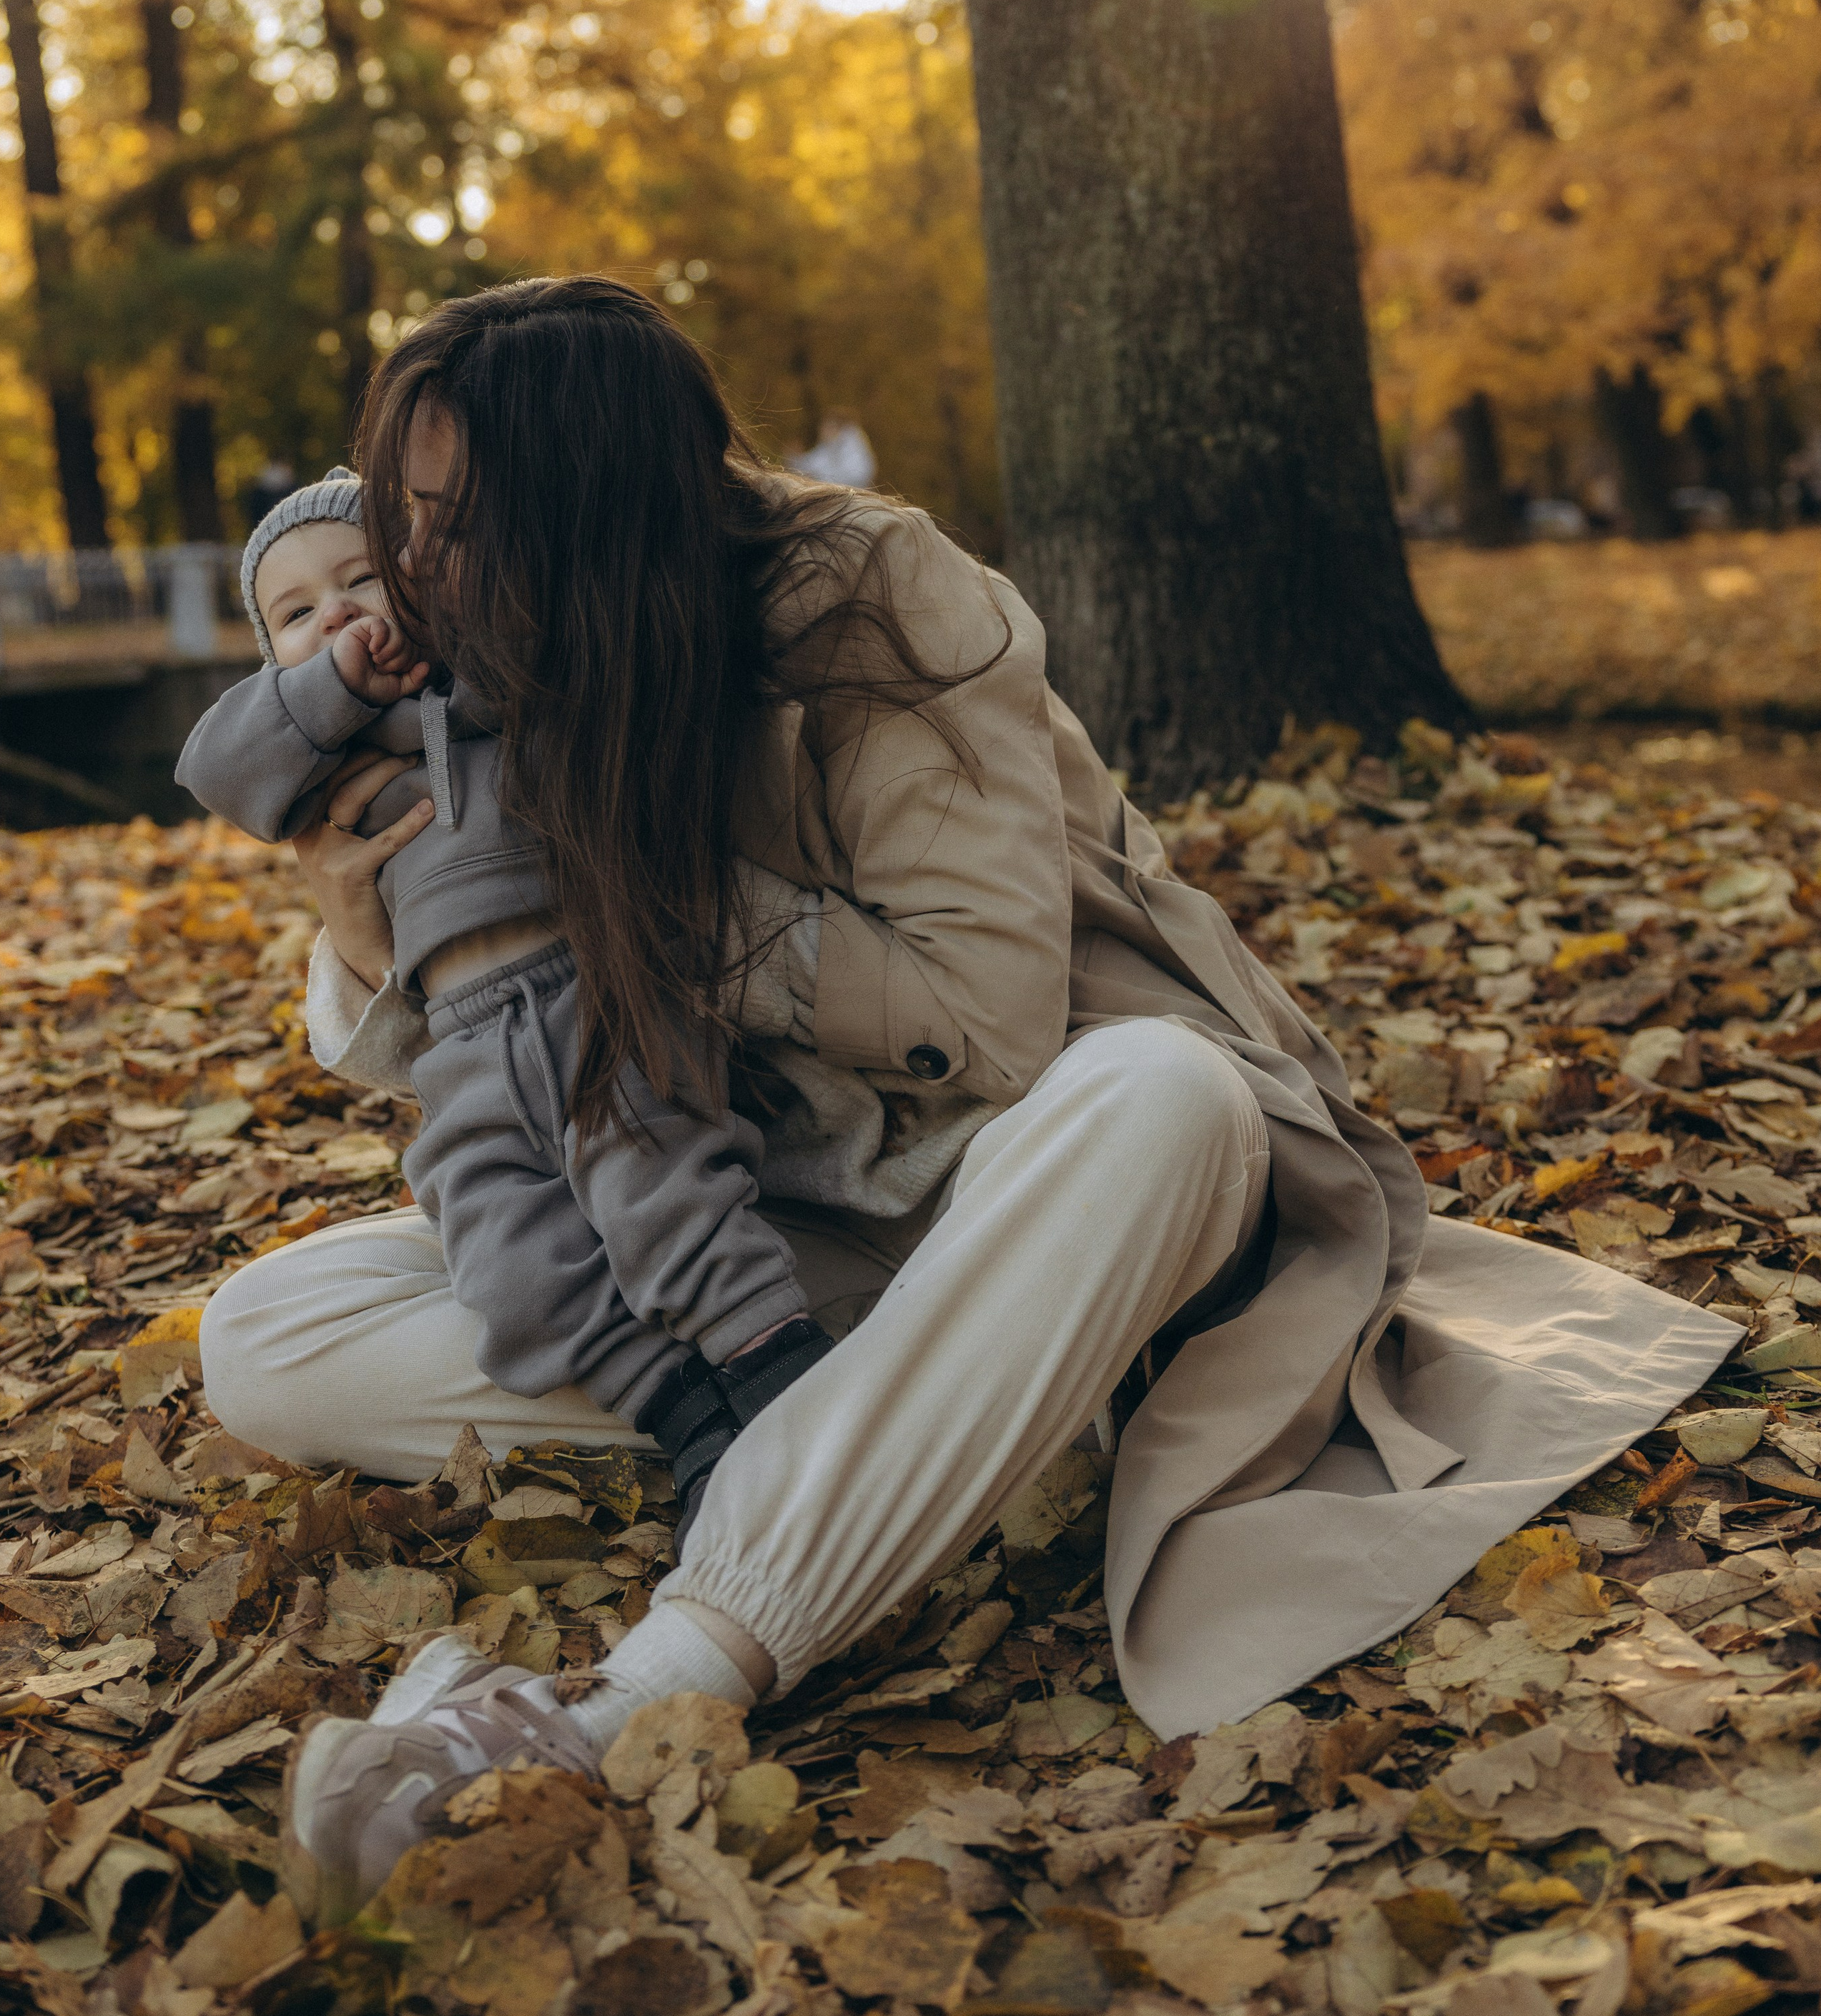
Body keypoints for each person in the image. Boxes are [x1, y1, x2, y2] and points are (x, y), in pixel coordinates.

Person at [196, 276, 1738, 1927]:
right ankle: (942, 1432)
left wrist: (641, 901)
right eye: (404, 518)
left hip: (1039, 1174)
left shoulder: (873, 593)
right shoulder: (503, 655)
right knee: (271, 1328)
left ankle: (634, 1693)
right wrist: (366, 938)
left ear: (577, 506)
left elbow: (982, 1017)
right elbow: (491, 1041)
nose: (408, 570)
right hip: (800, 1231)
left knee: (1167, 1092)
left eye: (448, 521)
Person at [176, 469, 834, 1544]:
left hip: (592, 993)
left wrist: (445, 649)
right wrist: (331, 683)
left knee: (660, 1189)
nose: (336, 614)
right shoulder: (315, 757)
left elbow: (550, 674)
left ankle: (779, 1370)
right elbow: (215, 764)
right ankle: (682, 1416)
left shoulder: (479, 690)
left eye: (361, 583)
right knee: (505, 1257)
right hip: (465, 1047)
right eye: (297, 614)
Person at [787, 410, 877, 489]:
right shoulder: (826, 447)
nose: (822, 431)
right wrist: (794, 458)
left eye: (827, 426)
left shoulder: (853, 446)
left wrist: (821, 478)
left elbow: (858, 475)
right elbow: (810, 465)